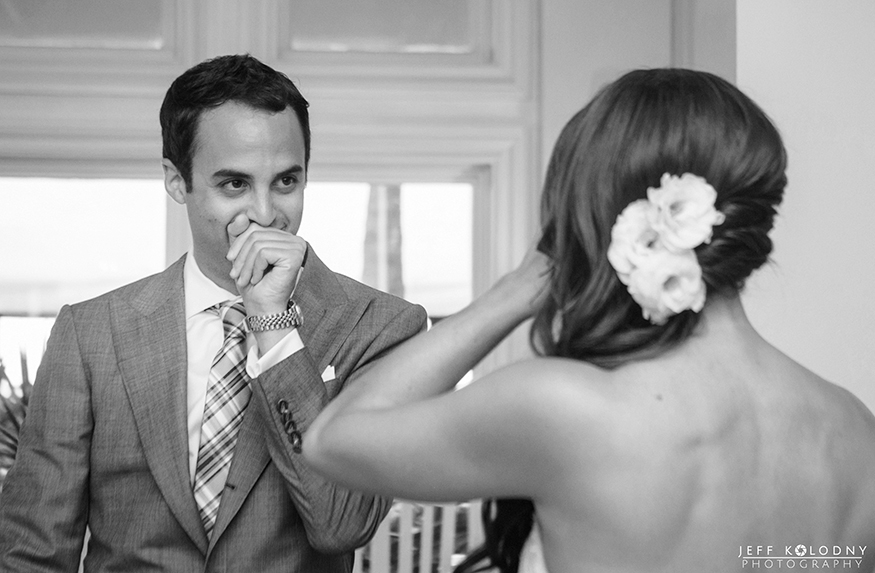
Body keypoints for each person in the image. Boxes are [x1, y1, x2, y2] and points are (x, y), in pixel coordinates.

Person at [302, 68, 875, 573]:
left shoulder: (567, 409)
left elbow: (333, 441)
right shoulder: (852, 429)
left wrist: (514, 291)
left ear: (597, 217)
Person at [0, 54, 426, 572]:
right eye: (235, 185)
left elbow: (341, 523)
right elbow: (33, 553)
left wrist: (272, 323)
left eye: (286, 182)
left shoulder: (380, 327)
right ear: (177, 182)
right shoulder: (90, 334)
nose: (266, 214)